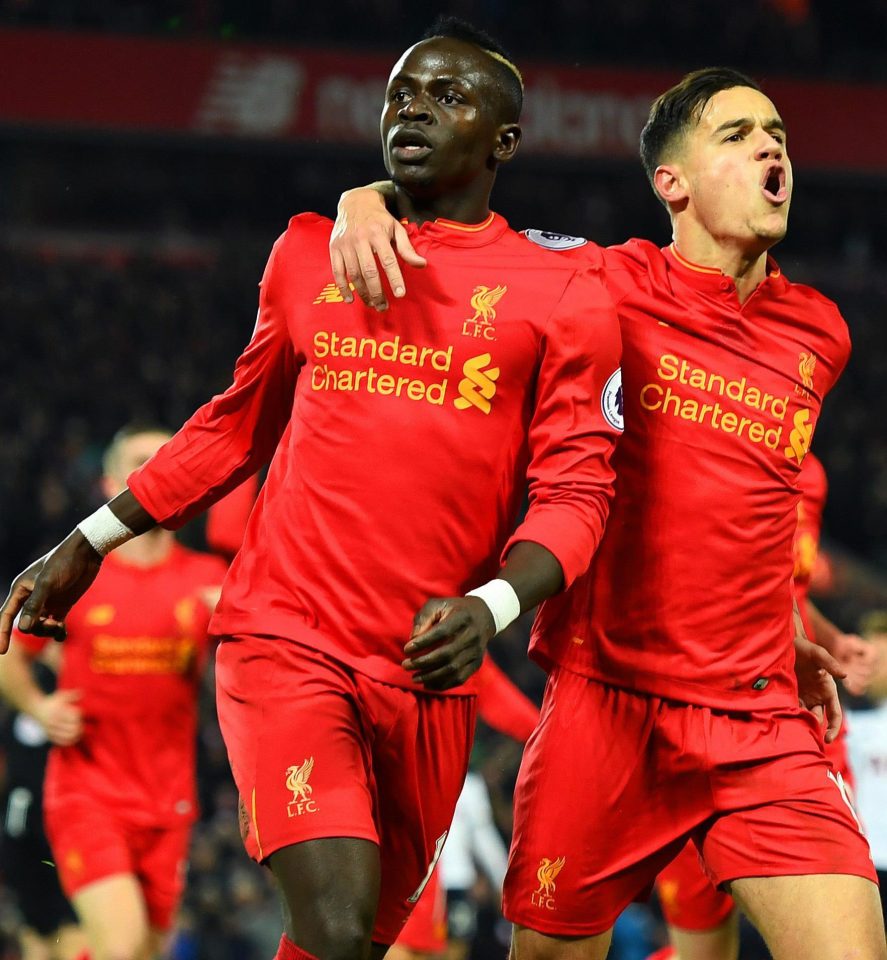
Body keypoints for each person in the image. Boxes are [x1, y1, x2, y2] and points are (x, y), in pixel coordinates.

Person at [0, 20, 623, 960]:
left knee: (359, 945)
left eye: (448, 96)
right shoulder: (308, 256)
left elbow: (577, 492)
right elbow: (230, 427)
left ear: (505, 141)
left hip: (425, 663)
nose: (412, 107)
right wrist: (89, 538)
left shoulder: (563, 287)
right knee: (335, 932)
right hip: (283, 637)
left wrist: (493, 607)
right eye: (400, 93)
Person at [327, 67, 886, 960]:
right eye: (737, 134)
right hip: (606, 703)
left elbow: (748, 509)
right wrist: (369, 197)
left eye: (775, 131)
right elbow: (467, 228)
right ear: (671, 183)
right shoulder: (596, 281)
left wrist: (780, 629)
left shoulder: (820, 332)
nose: (771, 146)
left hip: (757, 719)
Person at [0, 425, 228, 960]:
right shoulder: (78, 575)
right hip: (88, 795)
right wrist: (36, 704)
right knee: (121, 948)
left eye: (166, 458)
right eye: (139, 460)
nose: (154, 469)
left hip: (170, 801)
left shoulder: (208, 579)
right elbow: (7, 647)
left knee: (145, 952)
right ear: (109, 484)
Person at [390, 654, 539, 960]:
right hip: (421, 878)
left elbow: (483, 836)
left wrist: (501, 884)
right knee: (403, 950)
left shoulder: (468, 787)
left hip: (454, 881)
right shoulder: (411, 775)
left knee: (448, 952)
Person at [0, 644, 87, 960]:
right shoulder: (19, 706)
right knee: (36, 931)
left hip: (66, 834)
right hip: (23, 836)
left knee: (72, 927)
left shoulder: (79, 699)